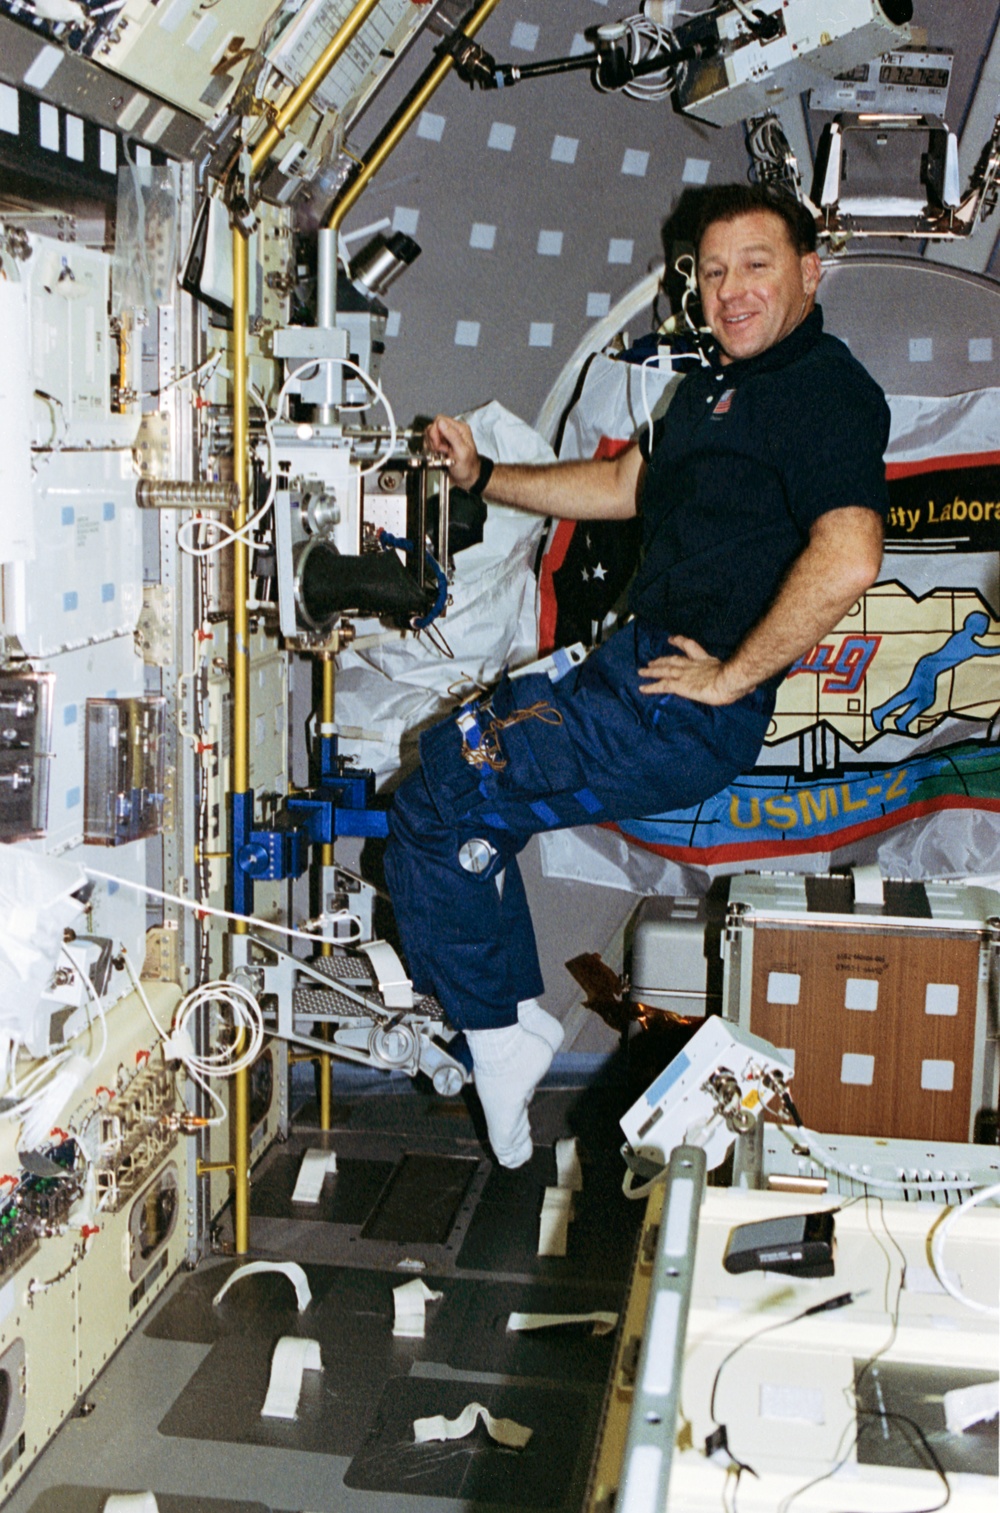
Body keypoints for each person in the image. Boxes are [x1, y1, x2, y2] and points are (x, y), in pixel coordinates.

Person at [384, 183, 890, 1168]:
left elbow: (850, 553)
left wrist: (733, 675)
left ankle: (499, 1030)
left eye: (756, 264)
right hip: (625, 678)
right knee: (459, 811)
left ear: (807, 273)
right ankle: (505, 1029)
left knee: (441, 787)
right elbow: (621, 486)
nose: (731, 288)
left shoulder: (821, 385)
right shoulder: (706, 389)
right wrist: (484, 476)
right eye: (711, 270)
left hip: (664, 706)